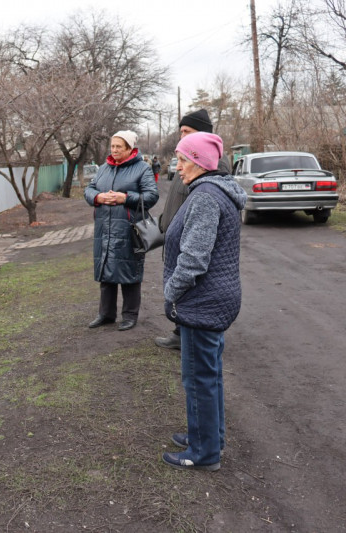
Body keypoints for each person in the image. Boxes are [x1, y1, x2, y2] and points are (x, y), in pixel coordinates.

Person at [161, 132, 246, 471]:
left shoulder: (207, 197)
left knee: (199, 379)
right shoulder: (211, 192)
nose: (177, 167)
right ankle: (209, 436)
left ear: (198, 162)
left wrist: (170, 291)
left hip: (202, 301)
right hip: (211, 299)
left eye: (182, 160)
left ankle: (204, 452)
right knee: (207, 376)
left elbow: (194, 259)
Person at [155, 109, 232, 351]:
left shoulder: (212, 162)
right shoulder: (187, 158)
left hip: (191, 239)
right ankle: (183, 331)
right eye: (181, 132)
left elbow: (202, 208)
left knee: (189, 287)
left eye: (187, 131)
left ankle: (187, 334)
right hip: (178, 235)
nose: (182, 136)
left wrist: (172, 290)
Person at [84, 130, 159, 331]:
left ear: (130, 149)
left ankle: (130, 315)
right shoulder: (103, 168)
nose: (114, 150)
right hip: (104, 227)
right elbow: (89, 189)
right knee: (106, 269)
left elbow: (152, 196)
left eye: (119, 146)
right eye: (112, 146)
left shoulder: (142, 169)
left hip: (129, 228)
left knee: (129, 271)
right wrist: (97, 198)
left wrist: (125, 198)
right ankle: (106, 314)